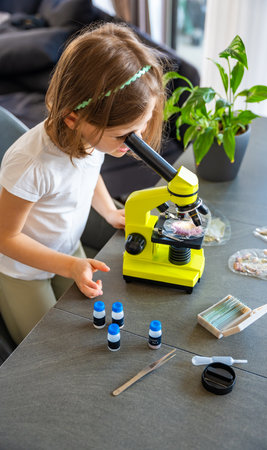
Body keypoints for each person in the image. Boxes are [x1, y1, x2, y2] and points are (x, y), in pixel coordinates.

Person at [0, 22, 165, 344]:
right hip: (23, 270)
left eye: (142, 127)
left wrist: (108, 212)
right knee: (45, 347)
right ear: (73, 117)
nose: (136, 142)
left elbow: (89, 175)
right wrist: (69, 265)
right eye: (124, 135)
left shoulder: (90, 140)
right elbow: (6, 237)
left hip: (67, 248)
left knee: (92, 323)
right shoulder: (32, 164)